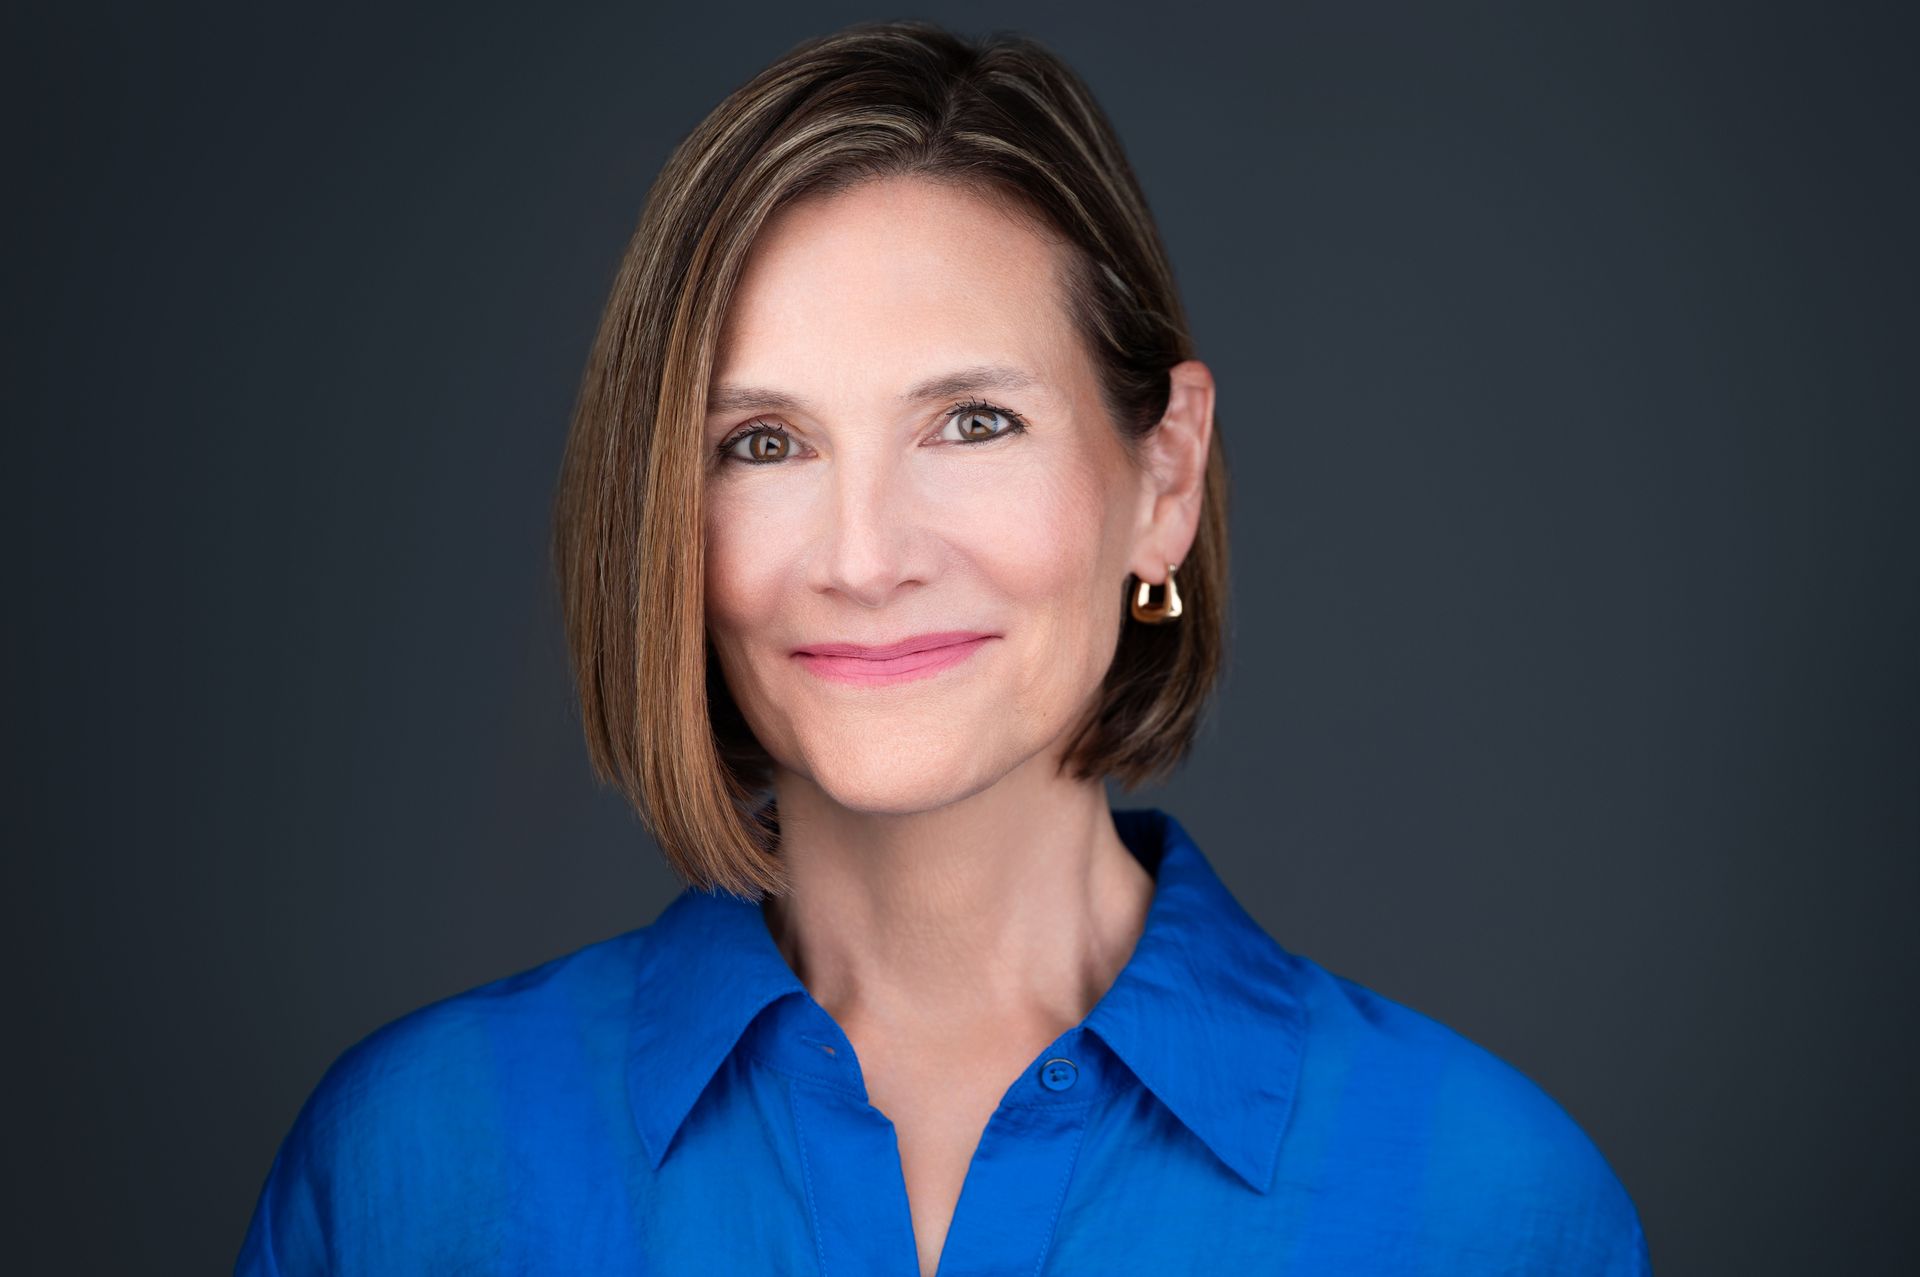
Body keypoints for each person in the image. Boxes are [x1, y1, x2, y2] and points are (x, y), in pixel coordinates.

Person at [235, 19, 1650, 1276]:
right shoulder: (413, 1175)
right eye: (763, 442)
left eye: (973, 422)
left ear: (1163, 478)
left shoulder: (1488, 1209)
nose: (865, 556)